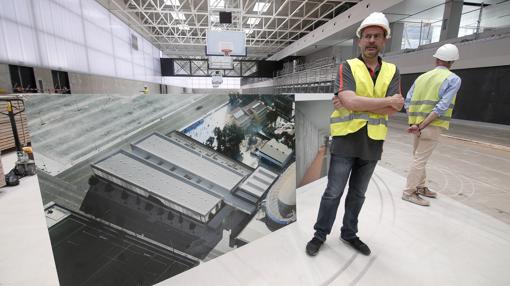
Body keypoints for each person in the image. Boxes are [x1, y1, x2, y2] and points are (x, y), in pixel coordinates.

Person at [305, 12, 404, 257]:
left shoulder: (392, 70)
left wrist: (359, 103)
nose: (371, 40)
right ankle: (320, 234)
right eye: (367, 36)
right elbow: (349, 100)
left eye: (377, 36)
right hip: (346, 140)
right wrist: (383, 102)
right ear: (360, 41)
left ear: (384, 40)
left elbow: (396, 107)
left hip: (373, 143)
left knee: (358, 194)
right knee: (333, 192)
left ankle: (349, 233)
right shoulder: (347, 66)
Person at [402, 43, 461, 206]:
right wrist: (422, 125)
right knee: (420, 159)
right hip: (431, 125)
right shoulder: (453, 79)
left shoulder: (422, 77)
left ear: (436, 60)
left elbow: (407, 101)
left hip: (416, 125)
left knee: (417, 157)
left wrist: (414, 123)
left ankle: (421, 187)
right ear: (452, 62)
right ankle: (409, 192)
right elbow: (442, 106)